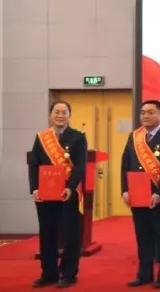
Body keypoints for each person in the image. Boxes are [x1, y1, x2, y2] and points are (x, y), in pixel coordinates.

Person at [120, 100, 160, 288]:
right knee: (143, 237)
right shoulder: (134, 137)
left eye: (150, 112)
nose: (145, 116)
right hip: (137, 197)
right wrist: (124, 190)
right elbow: (124, 165)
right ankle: (144, 274)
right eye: (143, 112)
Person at [28, 100, 88, 289]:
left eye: (64, 112)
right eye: (57, 112)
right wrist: (34, 188)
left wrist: (71, 187)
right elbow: (34, 164)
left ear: (69, 115)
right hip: (45, 194)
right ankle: (49, 274)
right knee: (47, 234)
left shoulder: (78, 137)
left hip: (67, 194)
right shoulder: (42, 137)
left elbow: (80, 166)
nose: (60, 115)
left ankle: (69, 274)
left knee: (70, 235)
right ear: (50, 115)